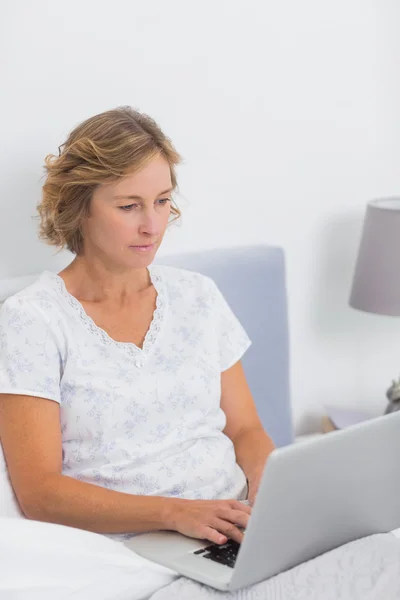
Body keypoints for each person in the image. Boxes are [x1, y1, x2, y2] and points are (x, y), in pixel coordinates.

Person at [0, 106, 275, 546]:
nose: (152, 226)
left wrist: (271, 490)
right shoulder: (33, 320)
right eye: (129, 206)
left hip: (230, 525)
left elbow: (246, 430)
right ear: (78, 209)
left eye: (162, 201)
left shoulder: (198, 296)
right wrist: (176, 514)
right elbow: (40, 494)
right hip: (131, 545)